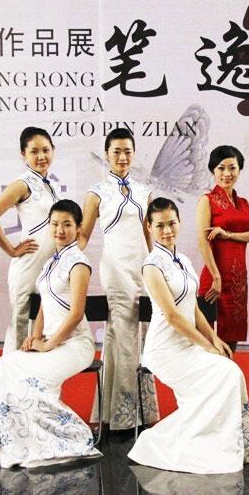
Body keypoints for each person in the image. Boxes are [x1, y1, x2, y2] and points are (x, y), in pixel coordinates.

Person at [129, 198, 249, 474]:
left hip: (189, 344)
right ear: (149, 227)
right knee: (219, 377)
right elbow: (173, 316)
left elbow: (193, 309)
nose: (167, 231)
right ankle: (159, 444)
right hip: (165, 350)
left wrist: (214, 339)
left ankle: (221, 443)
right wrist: (206, 345)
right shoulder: (151, 266)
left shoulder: (183, 260)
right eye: (160, 225)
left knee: (230, 372)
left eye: (171, 223)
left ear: (180, 222)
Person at [0, 199, 102, 468]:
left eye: (67, 224)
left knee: (33, 379)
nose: (60, 230)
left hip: (75, 344)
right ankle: (19, 440)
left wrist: (49, 343)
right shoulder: (50, 263)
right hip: (50, 342)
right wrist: (35, 336)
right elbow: (44, 305)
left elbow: (76, 313)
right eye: (55, 224)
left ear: (78, 228)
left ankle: (69, 437)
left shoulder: (79, 263)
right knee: (3, 365)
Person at [79, 128, 159, 431]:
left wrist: (157, 265)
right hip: (115, 268)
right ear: (107, 155)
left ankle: (125, 411)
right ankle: (123, 417)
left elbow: (150, 236)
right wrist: (64, 259)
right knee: (122, 332)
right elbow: (83, 236)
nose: (122, 157)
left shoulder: (144, 191)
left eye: (127, 151)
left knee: (137, 334)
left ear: (134, 154)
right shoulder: (97, 192)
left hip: (142, 268)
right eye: (116, 152)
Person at [0, 127, 59, 354]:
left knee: (41, 329)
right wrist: (11, 250)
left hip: (47, 267)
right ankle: (11, 374)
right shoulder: (23, 184)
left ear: (53, 150)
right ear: (23, 154)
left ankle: (34, 375)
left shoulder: (50, 185)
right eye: (34, 151)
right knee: (20, 327)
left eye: (46, 150)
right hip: (28, 267)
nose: (41, 156)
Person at [197, 146, 249, 352]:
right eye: (221, 168)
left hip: (237, 281)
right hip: (214, 278)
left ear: (239, 169)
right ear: (213, 170)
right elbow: (202, 242)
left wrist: (228, 235)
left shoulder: (243, 203)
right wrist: (216, 277)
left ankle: (230, 372)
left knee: (232, 336)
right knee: (208, 341)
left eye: (232, 168)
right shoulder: (207, 200)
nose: (227, 173)